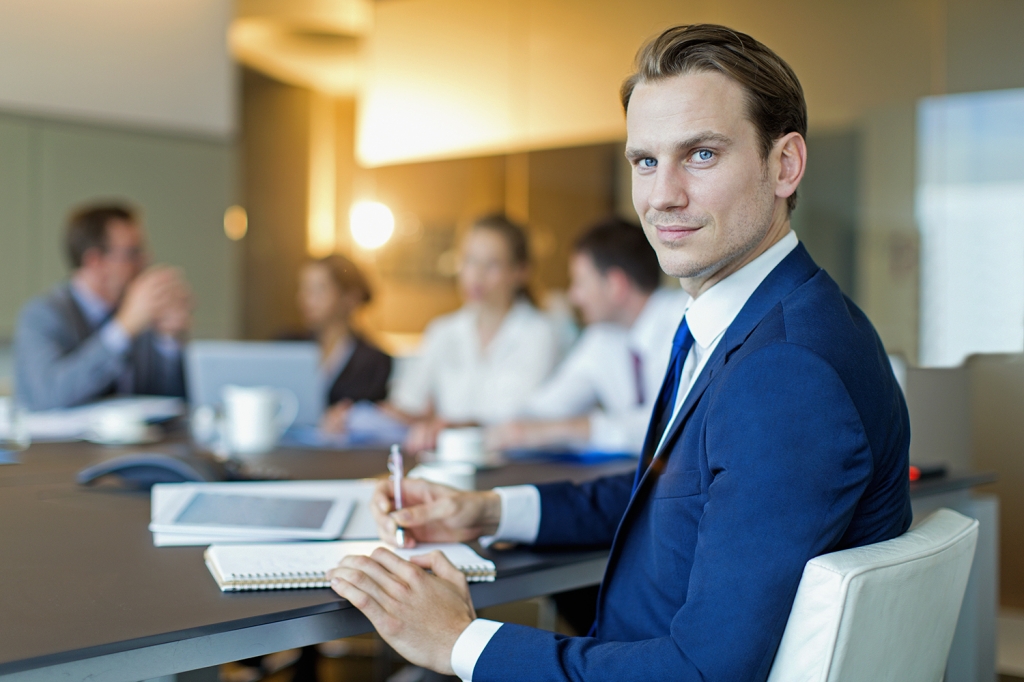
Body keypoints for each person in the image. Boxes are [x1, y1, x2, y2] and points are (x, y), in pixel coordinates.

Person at [325, 24, 913, 682]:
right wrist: (490, 511)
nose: (662, 196)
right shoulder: (765, 319)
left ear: (785, 165)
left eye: (701, 155)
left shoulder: (788, 371)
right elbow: (676, 495)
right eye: (645, 161)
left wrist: (458, 642)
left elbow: (704, 673)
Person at [487, 217, 687, 456]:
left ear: (615, 285)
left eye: (580, 283)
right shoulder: (603, 337)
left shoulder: (687, 322)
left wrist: (574, 429)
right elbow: (546, 407)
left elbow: (673, 427)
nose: (573, 297)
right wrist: (502, 429)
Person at [388, 214, 560, 452]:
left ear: (520, 271)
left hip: (517, 465)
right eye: (469, 261)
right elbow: (408, 404)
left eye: (492, 265)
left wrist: (451, 425)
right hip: (448, 463)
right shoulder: (442, 331)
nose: (476, 276)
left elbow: (527, 417)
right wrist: (362, 415)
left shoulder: (540, 333)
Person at [14, 203, 191, 411]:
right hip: (63, 444)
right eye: (132, 253)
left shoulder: (138, 312)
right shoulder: (41, 315)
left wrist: (168, 340)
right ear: (95, 262)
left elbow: (170, 403)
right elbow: (48, 396)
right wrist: (122, 330)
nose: (146, 260)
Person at [294, 254, 392, 432]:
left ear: (349, 297)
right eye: (304, 289)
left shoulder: (374, 362)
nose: (305, 298)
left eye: (318, 289)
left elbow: (372, 420)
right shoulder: (287, 346)